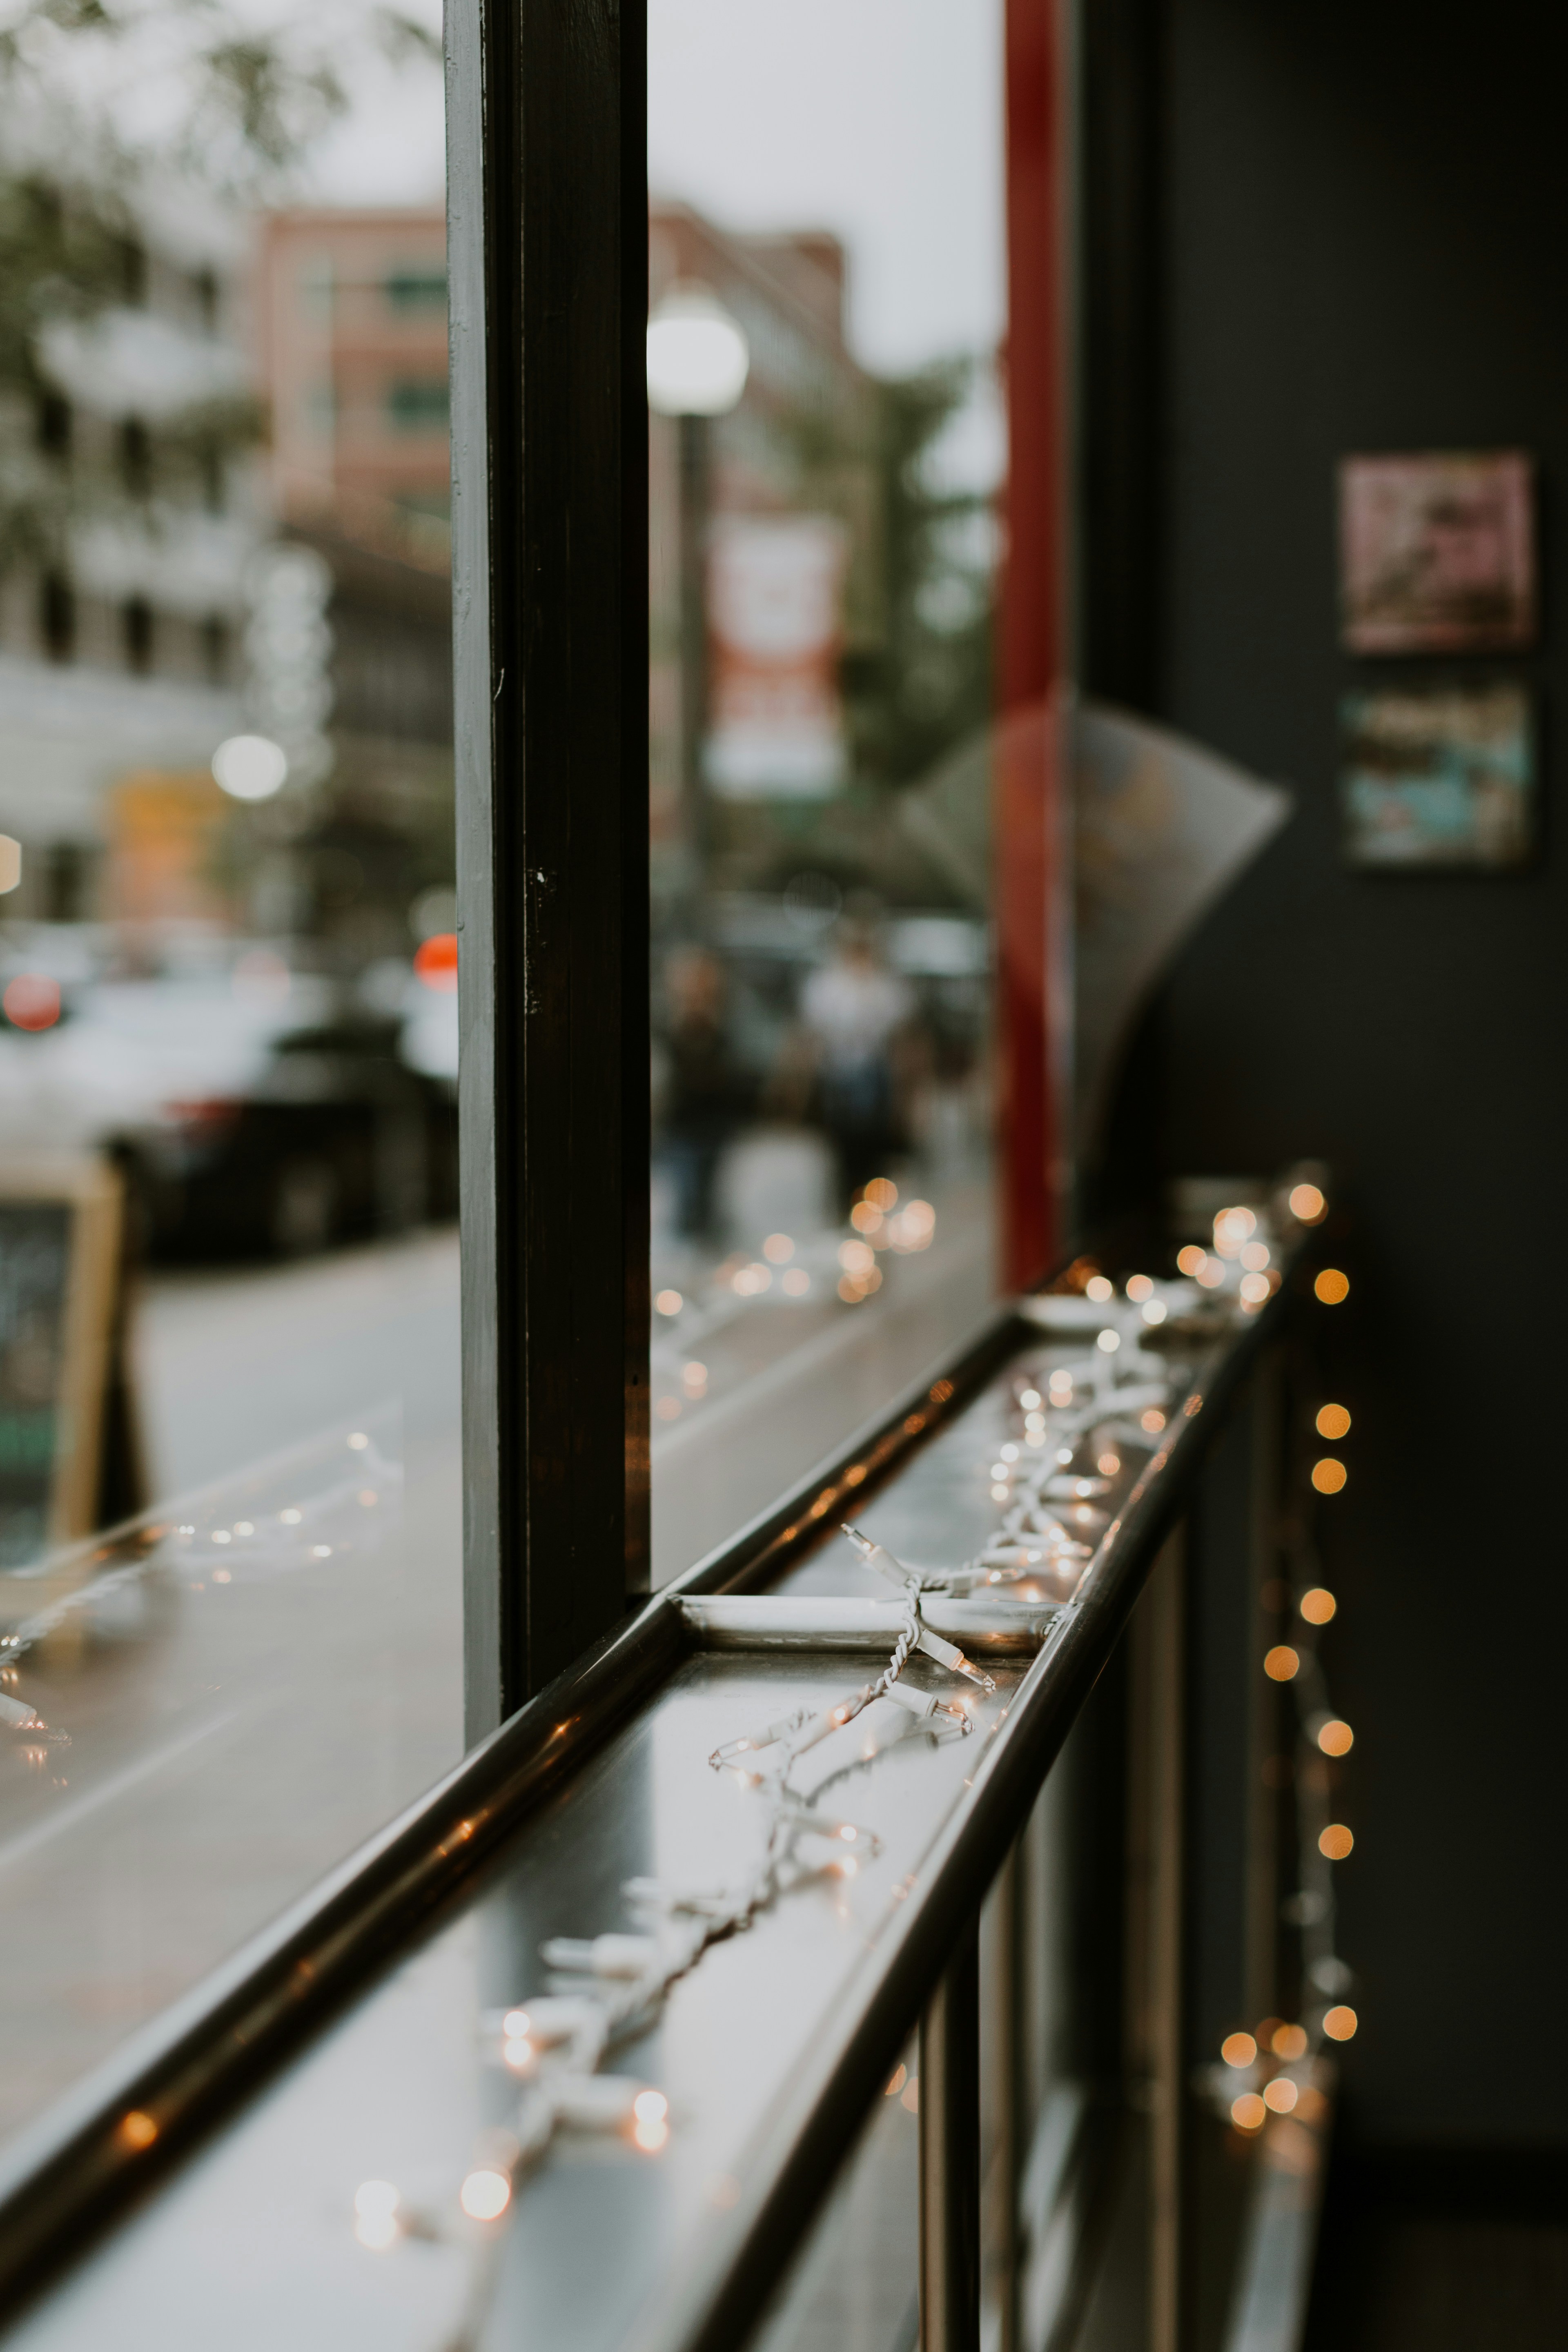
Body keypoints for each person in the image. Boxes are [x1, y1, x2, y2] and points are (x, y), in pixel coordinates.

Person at [798, 918, 914, 1210]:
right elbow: (811, 1038)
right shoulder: (825, 985)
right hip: (837, 1077)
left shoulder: (887, 987)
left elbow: (901, 1042)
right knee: (840, 1149)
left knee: (874, 1150)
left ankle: (873, 1211)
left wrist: (906, 1095)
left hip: (874, 1077)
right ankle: (844, 1207)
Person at [657, 947, 749, 1240]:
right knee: (686, 1193)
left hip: (717, 1125)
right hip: (682, 1128)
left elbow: (731, 1073)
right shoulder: (673, 1025)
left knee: (714, 1195)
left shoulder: (722, 1026)